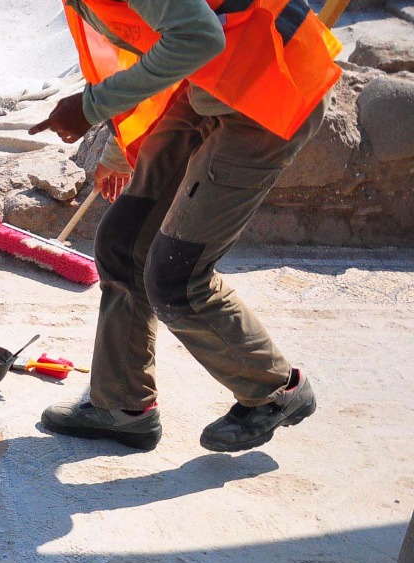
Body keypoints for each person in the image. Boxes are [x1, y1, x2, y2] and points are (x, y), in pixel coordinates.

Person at [30, 0, 341, 452]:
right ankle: (122, 407)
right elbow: (158, 39)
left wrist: (93, 106)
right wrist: (119, 146)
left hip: (270, 85)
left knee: (176, 276)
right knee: (124, 243)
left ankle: (276, 390)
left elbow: (197, 37)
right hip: (211, 80)